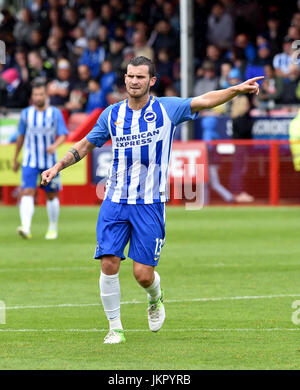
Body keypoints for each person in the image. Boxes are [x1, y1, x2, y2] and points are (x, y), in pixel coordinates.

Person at [40, 56, 262, 344]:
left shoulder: (166, 109)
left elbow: (204, 100)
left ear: (151, 81)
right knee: (108, 262)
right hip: (115, 200)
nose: (134, 81)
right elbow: (85, 145)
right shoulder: (112, 114)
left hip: (150, 204)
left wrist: (236, 89)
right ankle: (115, 327)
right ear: (125, 79)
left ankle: (155, 298)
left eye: (140, 77)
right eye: (130, 76)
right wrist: (57, 167)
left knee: (143, 275)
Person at [13, 81, 69, 240]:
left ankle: (52, 228)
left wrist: (54, 145)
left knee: (51, 195)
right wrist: (16, 157)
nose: (38, 97)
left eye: (41, 94)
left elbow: (64, 134)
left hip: (49, 162)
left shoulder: (55, 113)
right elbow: (21, 136)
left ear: (46, 95)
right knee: (27, 192)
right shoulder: (26, 114)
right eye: (36, 94)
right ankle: (26, 227)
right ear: (32, 96)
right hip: (30, 160)